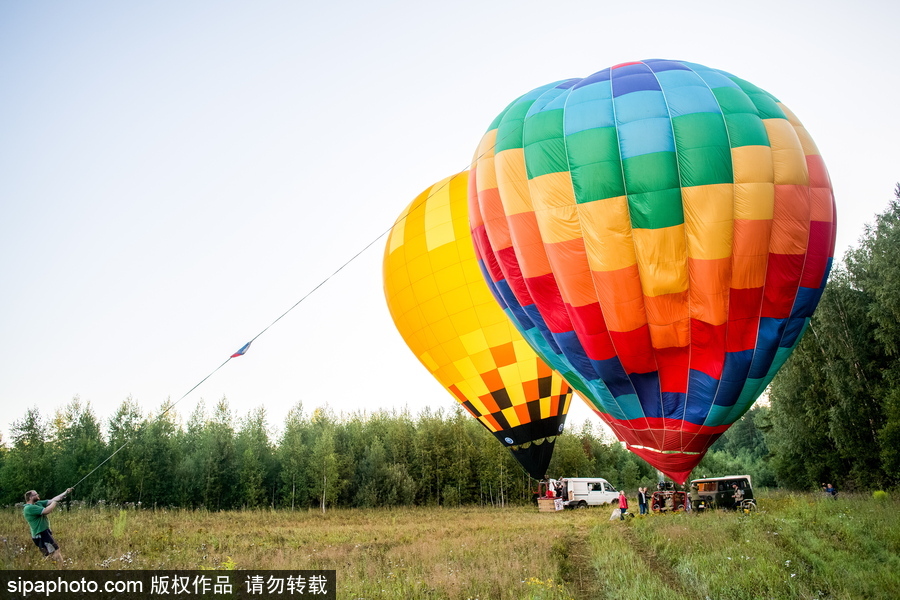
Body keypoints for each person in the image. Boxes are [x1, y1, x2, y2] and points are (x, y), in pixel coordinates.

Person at [23, 488, 73, 561]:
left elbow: (53, 499)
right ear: (30, 497)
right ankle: (61, 568)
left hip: (43, 532)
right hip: (41, 533)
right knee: (56, 550)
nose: (38, 495)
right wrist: (55, 502)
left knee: (48, 554)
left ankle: (48, 567)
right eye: (36, 494)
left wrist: (66, 492)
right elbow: (46, 511)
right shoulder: (29, 508)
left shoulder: (38, 503)